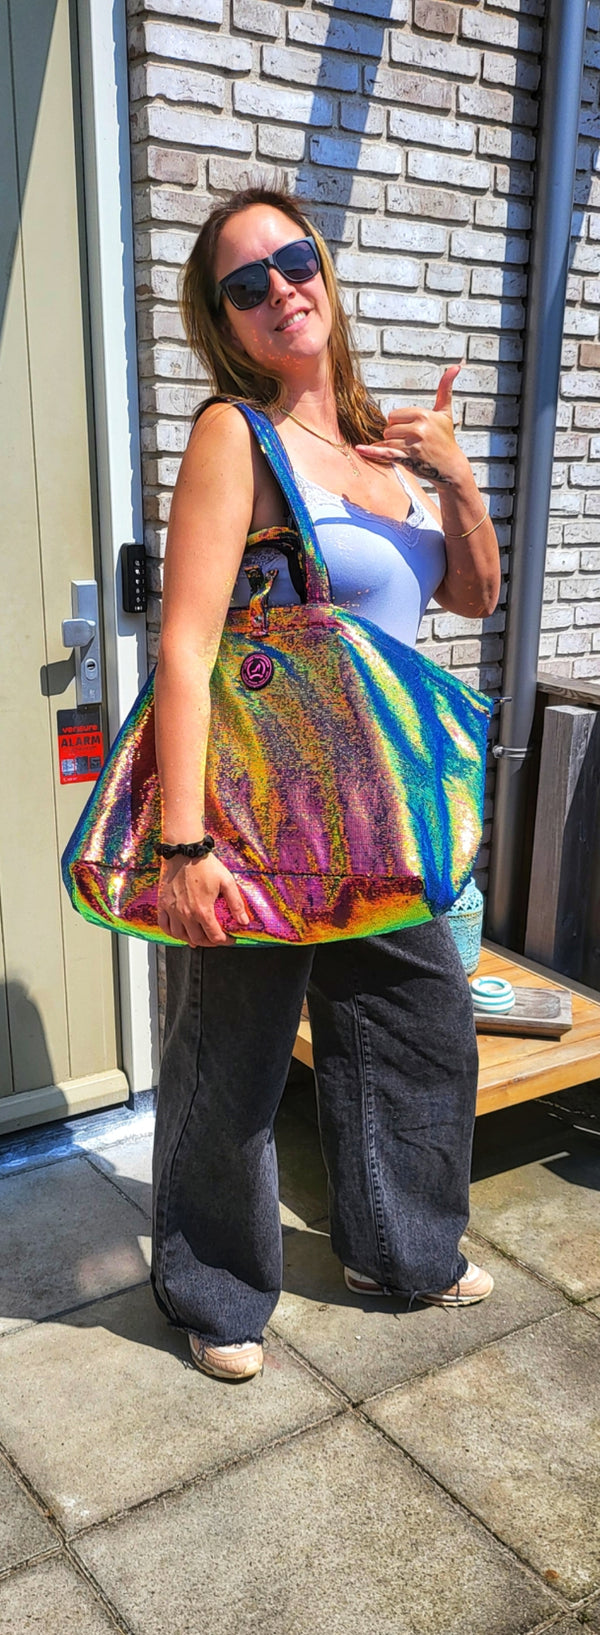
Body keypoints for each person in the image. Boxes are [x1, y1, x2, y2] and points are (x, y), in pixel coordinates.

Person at [151, 184, 501, 1382]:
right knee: (234, 1059)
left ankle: (399, 1250)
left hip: (384, 815)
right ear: (225, 320)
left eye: (292, 260)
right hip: (261, 816)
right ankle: (212, 1289)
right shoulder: (234, 437)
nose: (279, 291)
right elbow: (186, 647)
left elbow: (473, 597)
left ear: (325, 269)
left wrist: (455, 479)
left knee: (420, 1024)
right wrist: (183, 844)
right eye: (245, 284)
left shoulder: (382, 453)